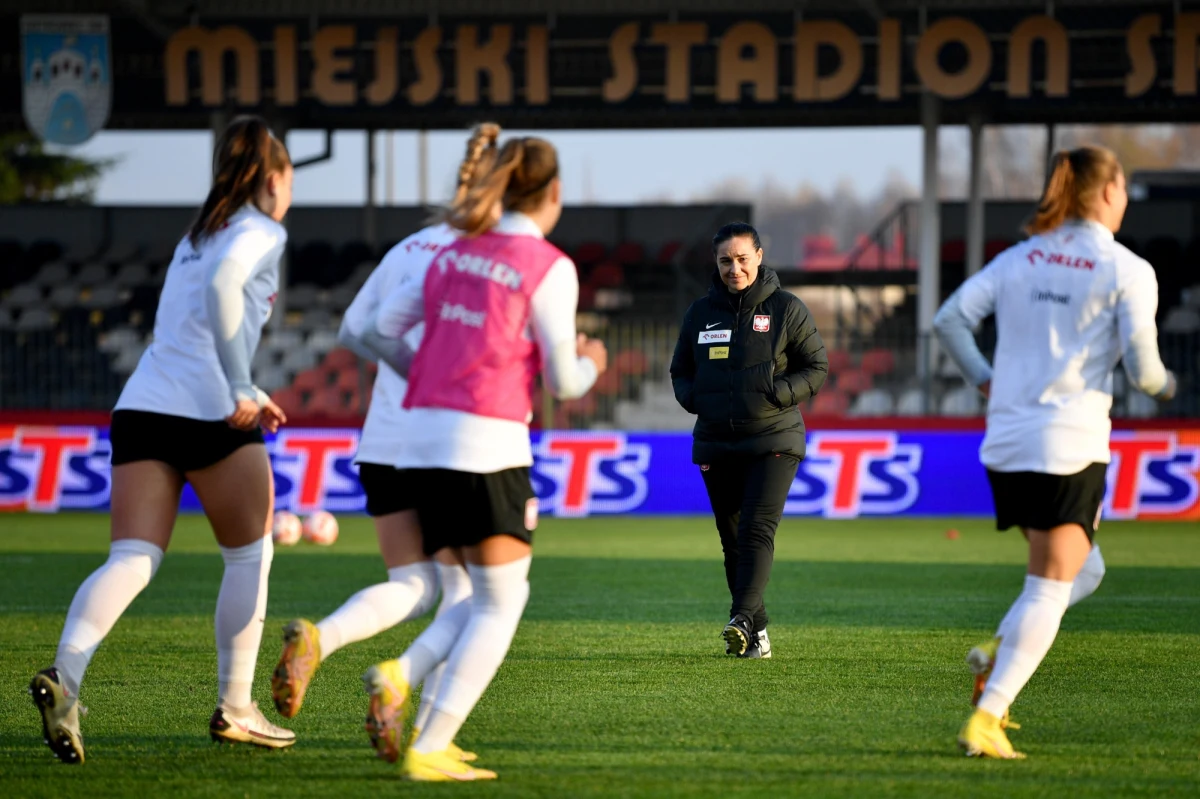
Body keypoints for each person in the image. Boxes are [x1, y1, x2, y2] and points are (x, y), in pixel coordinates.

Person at [30, 116, 297, 763]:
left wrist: (249, 386)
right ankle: (236, 707)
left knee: (132, 557)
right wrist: (239, 385)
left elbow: (193, 322)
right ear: (273, 177)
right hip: (208, 411)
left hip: (143, 403)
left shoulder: (198, 233)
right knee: (248, 557)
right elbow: (222, 293)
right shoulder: (262, 229)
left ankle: (65, 677)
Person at [357, 135, 607, 781]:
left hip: (419, 445)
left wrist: (428, 378)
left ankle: (402, 677)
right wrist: (593, 361)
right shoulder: (548, 265)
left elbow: (380, 328)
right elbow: (564, 381)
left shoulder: (454, 251)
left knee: (474, 592)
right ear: (554, 193)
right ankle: (429, 741)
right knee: (502, 602)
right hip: (486, 443)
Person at [269, 124, 501, 768]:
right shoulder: (485, 256)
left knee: (413, 583)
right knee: (468, 597)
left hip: (383, 437)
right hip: (446, 440)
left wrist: (405, 366)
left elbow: (353, 328)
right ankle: (427, 727)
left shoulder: (409, 247)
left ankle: (322, 634)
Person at [935, 145, 1177, 759]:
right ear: (1105, 192)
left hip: (1008, 441)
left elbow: (948, 320)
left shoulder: (1019, 259)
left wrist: (987, 379)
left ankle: (996, 652)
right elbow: (1148, 373)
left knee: (1082, 570)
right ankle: (986, 716)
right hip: (1069, 443)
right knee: (1048, 585)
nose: (1123, 200)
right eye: (1121, 188)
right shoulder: (1126, 269)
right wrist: (1167, 385)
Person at [669, 222, 829, 659]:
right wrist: (694, 398)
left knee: (758, 529)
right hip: (717, 442)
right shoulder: (700, 313)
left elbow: (815, 367)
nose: (734, 268)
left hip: (774, 438)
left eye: (742, 258)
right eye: (725, 260)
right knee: (733, 539)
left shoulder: (787, 309)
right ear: (716, 263)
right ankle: (755, 631)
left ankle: (739, 617)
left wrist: (776, 395)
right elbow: (680, 370)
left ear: (759, 256)